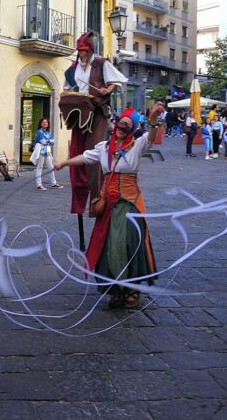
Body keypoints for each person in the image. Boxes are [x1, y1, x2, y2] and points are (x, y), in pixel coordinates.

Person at [54, 103, 165, 309]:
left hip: (129, 203)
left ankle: (132, 290)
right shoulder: (104, 147)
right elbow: (85, 157)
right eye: (119, 123)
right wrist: (64, 163)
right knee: (108, 248)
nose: (121, 127)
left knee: (127, 246)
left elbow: (151, 136)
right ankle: (116, 290)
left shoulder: (137, 145)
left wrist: (153, 119)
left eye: (126, 126)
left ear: (132, 130)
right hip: (109, 205)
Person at [62, 31, 126, 213]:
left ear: (89, 49)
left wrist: (107, 89)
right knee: (77, 151)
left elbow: (116, 81)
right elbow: (67, 88)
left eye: (84, 49)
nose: (81, 53)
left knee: (95, 151)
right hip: (80, 111)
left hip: (97, 111)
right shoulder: (71, 69)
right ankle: (80, 197)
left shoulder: (100, 63)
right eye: (79, 50)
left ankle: (98, 198)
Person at [32, 117, 62, 190]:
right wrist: (49, 141)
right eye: (43, 122)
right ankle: (39, 185)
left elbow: (53, 142)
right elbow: (43, 142)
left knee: (51, 168)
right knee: (39, 167)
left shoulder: (47, 133)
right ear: (41, 124)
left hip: (47, 152)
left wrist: (48, 141)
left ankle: (53, 183)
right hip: (40, 151)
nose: (45, 123)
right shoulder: (39, 132)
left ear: (48, 124)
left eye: (46, 122)